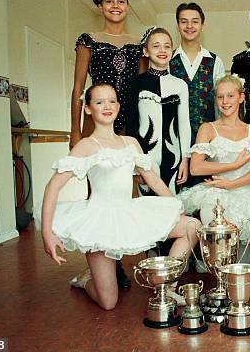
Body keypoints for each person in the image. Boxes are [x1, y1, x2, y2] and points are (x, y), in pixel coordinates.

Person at [42, 83, 200, 310]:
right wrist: (47, 233)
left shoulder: (130, 143)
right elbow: (52, 187)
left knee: (191, 226)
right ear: (88, 109)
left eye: (112, 101)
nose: (107, 106)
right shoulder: (86, 145)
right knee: (108, 302)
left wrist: (176, 208)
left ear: (118, 106)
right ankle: (86, 279)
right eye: (99, 102)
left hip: (129, 210)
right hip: (100, 220)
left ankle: (167, 287)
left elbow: (153, 180)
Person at [69, 0, 147, 288]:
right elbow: (78, 89)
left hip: (127, 124)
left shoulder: (138, 43)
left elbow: (142, 89)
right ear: (101, 6)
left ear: (128, 5)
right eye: (110, 1)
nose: (116, 6)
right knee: (98, 195)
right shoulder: (88, 40)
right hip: (96, 124)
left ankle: (119, 265)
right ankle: (101, 267)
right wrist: (76, 130)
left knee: (126, 195)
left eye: (122, 1)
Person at [177, 74, 250, 260]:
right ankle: (217, 276)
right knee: (220, 250)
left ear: (241, 97)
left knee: (242, 258)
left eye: (230, 96)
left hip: (249, 191)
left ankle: (239, 283)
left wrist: (233, 184)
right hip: (216, 193)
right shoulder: (208, 128)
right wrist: (232, 165)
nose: (225, 101)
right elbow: (196, 168)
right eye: (220, 96)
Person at [126, 27, 190, 195]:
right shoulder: (135, 83)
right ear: (146, 51)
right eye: (156, 46)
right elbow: (131, 125)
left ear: (172, 51)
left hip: (173, 157)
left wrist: (185, 159)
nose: (162, 50)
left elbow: (184, 124)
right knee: (147, 207)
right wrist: (136, 165)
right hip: (145, 158)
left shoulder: (180, 85)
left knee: (173, 206)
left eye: (167, 46)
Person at [169, 2, 226, 145]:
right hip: (174, 137)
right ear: (177, 26)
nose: (189, 26)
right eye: (184, 22)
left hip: (208, 139)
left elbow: (222, 103)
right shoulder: (168, 60)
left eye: (195, 22)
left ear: (202, 26)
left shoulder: (215, 61)